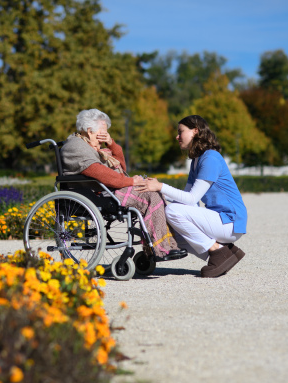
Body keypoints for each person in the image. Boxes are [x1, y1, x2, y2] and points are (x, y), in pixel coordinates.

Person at [60, 109, 185, 259]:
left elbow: (121, 167)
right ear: (89, 131)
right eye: (103, 133)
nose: (104, 136)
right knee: (151, 195)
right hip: (98, 195)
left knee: (154, 191)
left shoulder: (95, 148)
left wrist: (111, 142)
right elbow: (102, 174)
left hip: (106, 191)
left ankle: (164, 246)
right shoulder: (77, 147)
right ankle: (160, 249)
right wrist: (132, 181)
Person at [134, 115, 247, 278]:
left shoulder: (211, 158)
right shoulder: (197, 160)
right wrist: (156, 194)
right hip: (221, 220)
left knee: (173, 212)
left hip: (230, 221)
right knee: (171, 235)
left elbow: (192, 199)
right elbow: (186, 198)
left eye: (181, 132)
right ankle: (227, 251)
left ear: (195, 131)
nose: (177, 136)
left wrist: (160, 186)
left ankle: (217, 252)